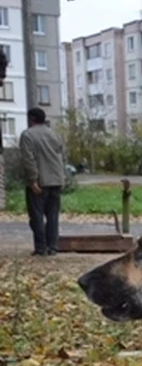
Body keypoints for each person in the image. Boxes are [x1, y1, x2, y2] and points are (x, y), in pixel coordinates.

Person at [19, 106, 66, 256]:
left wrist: (33, 180)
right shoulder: (54, 134)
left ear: (31, 119)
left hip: (40, 182)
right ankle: (53, 246)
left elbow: (29, 159)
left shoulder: (27, 135)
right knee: (53, 216)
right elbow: (61, 156)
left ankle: (41, 247)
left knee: (37, 216)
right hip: (56, 180)